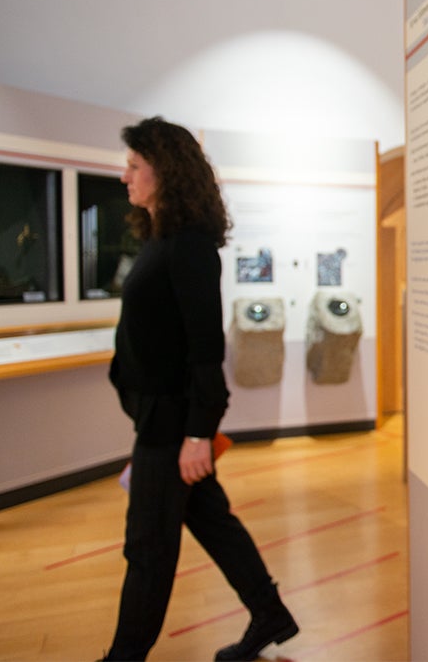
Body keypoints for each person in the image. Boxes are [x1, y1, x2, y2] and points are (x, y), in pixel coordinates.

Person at [101, 117, 298, 661]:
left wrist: (197, 434)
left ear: (165, 172)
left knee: (147, 551)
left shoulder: (188, 247)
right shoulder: (164, 241)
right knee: (211, 520)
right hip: (161, 422)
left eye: (135, 166)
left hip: (171, 429)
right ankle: (269, 613)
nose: (126, 177)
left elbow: (205, 350)